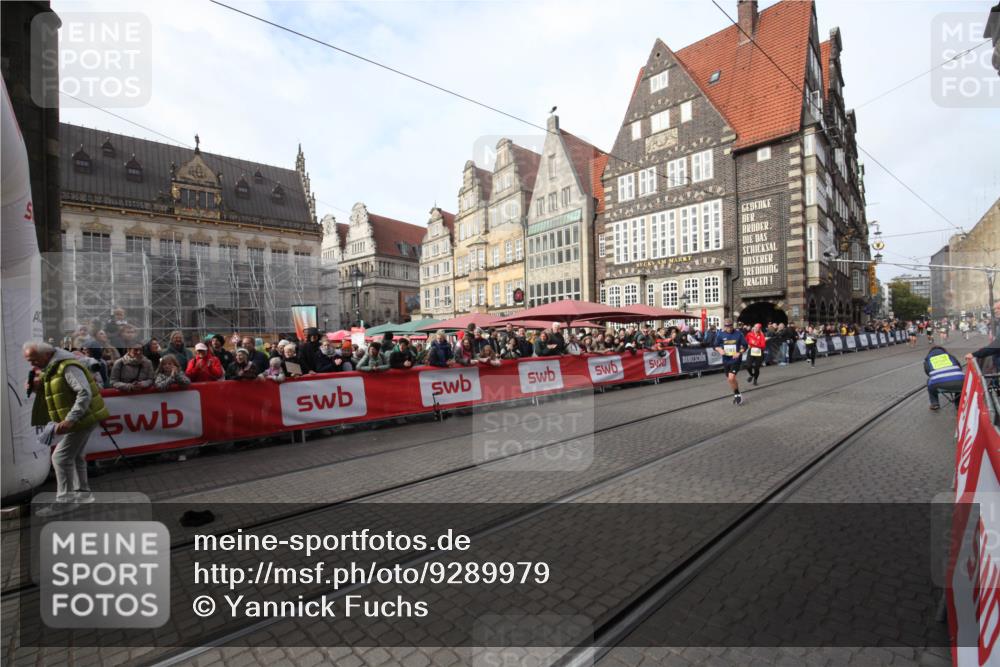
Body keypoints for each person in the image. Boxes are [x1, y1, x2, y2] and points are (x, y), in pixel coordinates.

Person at [24, 341, 110, 512]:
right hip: (81, 417)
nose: (32, 364)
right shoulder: (52, 367)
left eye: (34, 359)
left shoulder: (67, 366)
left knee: (60, 458)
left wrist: (71, 419)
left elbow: (84, 392)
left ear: (46, 354)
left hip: (81, 418)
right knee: (75, 456)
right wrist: (36, 388)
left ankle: (66, 501)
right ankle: (82, 495)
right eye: (29, 360)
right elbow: (59, 391)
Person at [712, 319, 748, 405]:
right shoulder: (720, 334)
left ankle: (737, 395)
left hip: (735, 359)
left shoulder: (739, 334)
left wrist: (739, 353)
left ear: (733, 325)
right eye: (727, 326)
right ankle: (737, 394)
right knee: (730, 379)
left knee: (731, 378)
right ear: (724, 326)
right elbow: (715, 346)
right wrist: (719, 349)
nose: (728, 327)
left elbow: (745, 346)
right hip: (726, 360)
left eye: (730, 325)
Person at [924, 346, 964, 411]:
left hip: (939, 383)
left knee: (929, 381)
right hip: (960, 382)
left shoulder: (928, 359)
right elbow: (960, 367)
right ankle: (958, 403)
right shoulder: (950, 356)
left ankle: (934, 403)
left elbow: (928, 372)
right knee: (959, 380)